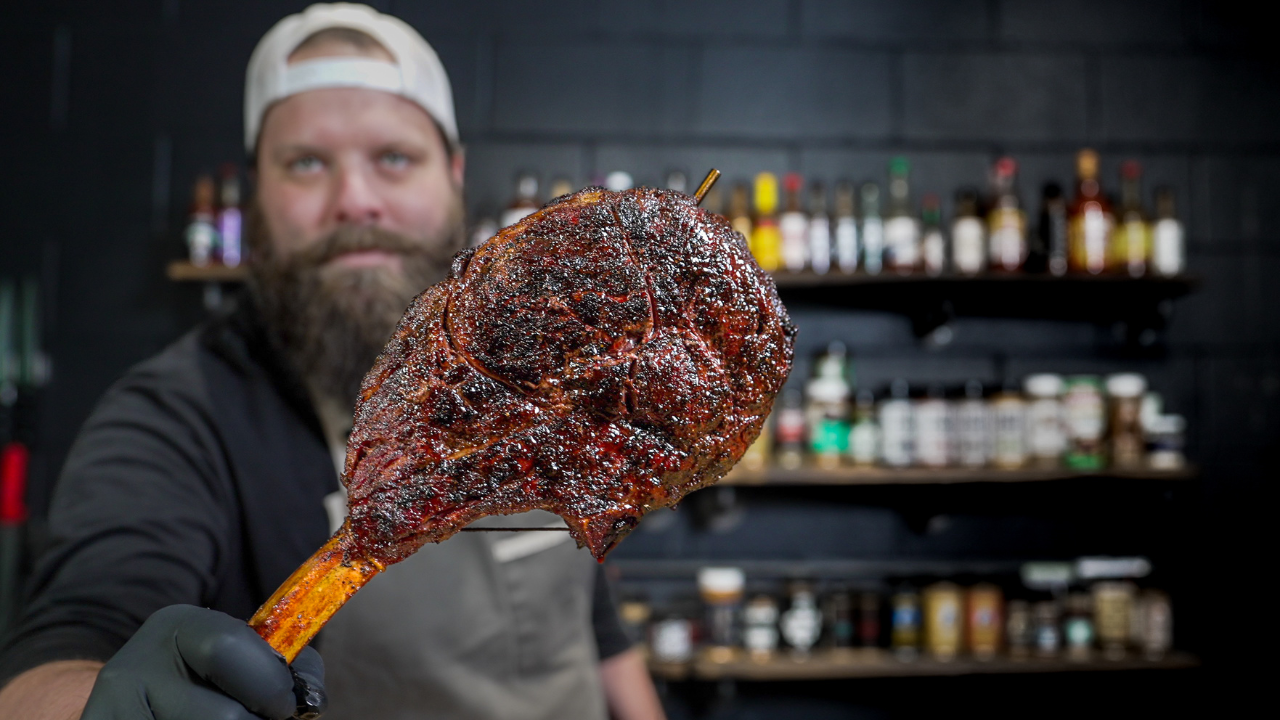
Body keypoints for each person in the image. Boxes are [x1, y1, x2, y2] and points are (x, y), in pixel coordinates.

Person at [0, 5, 665, 719]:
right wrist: (98, 704)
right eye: (307, 163)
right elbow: (64, 643)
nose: (354, 201)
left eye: (394, 158)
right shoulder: (178, 415)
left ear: (454, 175)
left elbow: (597, 630)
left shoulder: (543, 371)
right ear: (258, 193)